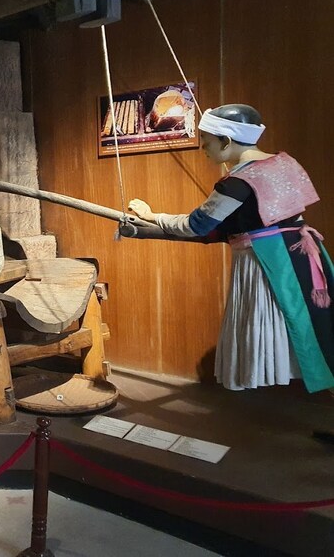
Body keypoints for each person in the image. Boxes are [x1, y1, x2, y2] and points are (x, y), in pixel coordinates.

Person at [127, 104, 334, 393]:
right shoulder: (285, 163)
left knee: (281, 323)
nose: (203, 149)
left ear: (226, 141)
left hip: (267, 262)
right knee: (317, 325)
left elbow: (196, 226)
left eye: (207, 142)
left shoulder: (237, 182)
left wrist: (152, 217)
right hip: (303, 253)